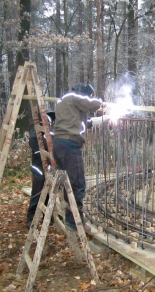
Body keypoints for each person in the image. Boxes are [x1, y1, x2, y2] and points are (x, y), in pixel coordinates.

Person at [53, 83, 109, 233]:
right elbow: (92, 103)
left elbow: (86, 123)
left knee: (68, 183)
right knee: (77, 184)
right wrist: (100, 102)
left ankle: (70, 216)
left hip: (60, 144)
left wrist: (105, 118)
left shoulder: (66, 102)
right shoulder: (74, 97)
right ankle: (74, 221)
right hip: (69, 146)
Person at [26, 111, 56, 229]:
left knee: (49, 193)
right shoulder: (34, 137)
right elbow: (39, 154)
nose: (48, 125)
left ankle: (48, 217)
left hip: (49, 168)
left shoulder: (51, 134)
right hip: (39, 169)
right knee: (37, 193)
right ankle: (31, 217)